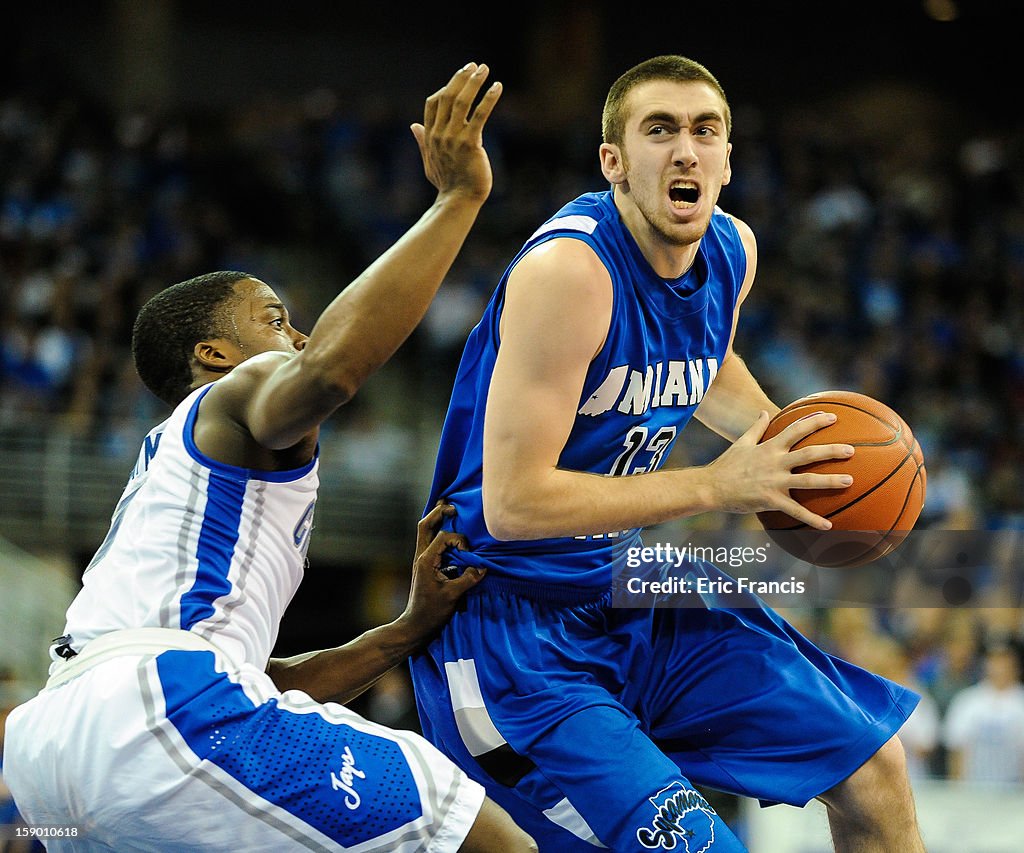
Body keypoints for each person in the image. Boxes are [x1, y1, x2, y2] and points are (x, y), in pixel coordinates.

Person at [2, 63, 536, 853]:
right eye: (276, 318)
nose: (294, 334)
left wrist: (403, 630)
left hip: (54, 748)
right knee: (492, 841)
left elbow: (261, 686)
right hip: (152, 709)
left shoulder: (176, 490)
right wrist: (457, 201)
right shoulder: (237, 393)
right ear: (217, 353)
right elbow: (331, 369)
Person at [409, 55, 925, 852]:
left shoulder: (732, 250)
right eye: (660, 130)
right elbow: (514, 505)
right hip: (512, 629)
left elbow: (702, 355)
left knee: (875, 767)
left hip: (632, 582)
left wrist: (786, 445)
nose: (685, 150)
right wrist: (719, 482)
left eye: (704, 131)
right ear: (614, 162)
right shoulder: (569, 272)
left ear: (726, 160)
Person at [943, 643, 1024, 784]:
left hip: (1015, 791)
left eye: (1004, 660)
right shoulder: (968, 701)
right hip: (974, 790)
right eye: (994, 660)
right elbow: (956, 751)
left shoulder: (1019, 702)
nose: (999, 666)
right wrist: (956, 791)